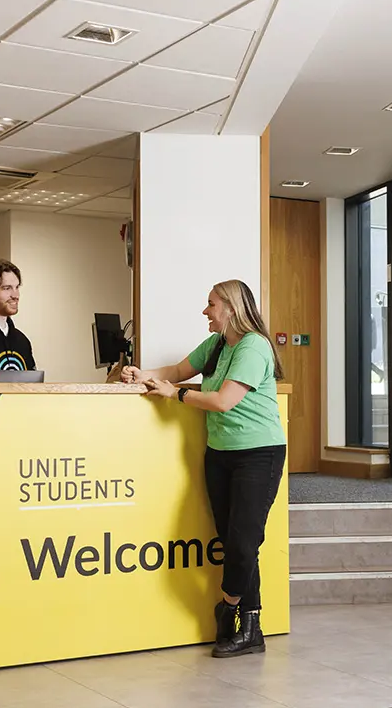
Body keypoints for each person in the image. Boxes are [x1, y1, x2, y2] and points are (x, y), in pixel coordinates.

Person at [120, 279, 286, 658]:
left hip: (258, 454)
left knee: (244, 543)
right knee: (232, 542)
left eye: (210, 304)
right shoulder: (215, 346)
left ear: (230, 308)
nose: (205, 311)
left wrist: (174, 394)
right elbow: (177, 369)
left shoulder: (254, 346)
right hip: (221, 454)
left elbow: (224, 401)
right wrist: (143, 373)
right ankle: (252, 628)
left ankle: (228, 609)